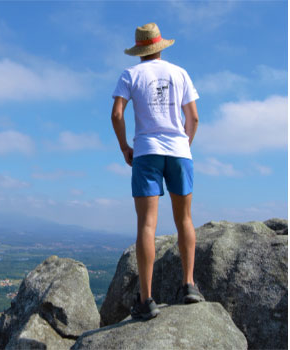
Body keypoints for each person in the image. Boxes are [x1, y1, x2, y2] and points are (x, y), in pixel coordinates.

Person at [110, 22, 205, 320]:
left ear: (139, 50)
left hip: (147, 152)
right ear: (160, 46)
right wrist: (184, 145)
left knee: (147, 225)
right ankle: (189, 284)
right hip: (179, 151)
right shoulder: (180, 73)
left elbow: (116, 114)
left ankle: (146, 300)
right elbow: (194, 118)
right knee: (185, 219)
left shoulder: (130, 74)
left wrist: (125, 147)